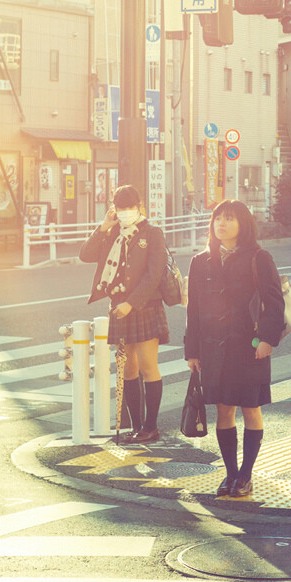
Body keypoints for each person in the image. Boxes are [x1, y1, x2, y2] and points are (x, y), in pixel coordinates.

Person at [184, 200, 285, 499]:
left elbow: (275, 303)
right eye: (217, 219)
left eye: (228, 219)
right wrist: (193, 350)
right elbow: (193, 310)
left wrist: (267, 339)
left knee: (250, 409)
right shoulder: (200, 261)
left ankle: (246, 475)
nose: (221, 224)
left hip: (249, 347)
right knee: (223, 410)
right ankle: (230, 474)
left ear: (243, 223)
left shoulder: (258, 257)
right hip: (213, 349)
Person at [79, 184, 168, 443]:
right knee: (127, 369)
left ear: (140, 206)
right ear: (114, 208)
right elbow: (85, 255)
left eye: (131, 207)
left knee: (149, 366)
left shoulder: (152, 233)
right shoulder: (112, 233)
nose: (127, 212)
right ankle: (137, 426)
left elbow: (153, 275)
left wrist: (132, 302)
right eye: (121, 208)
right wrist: (104, 226)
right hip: (119, 307)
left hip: (144, 306)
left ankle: (151, 427)